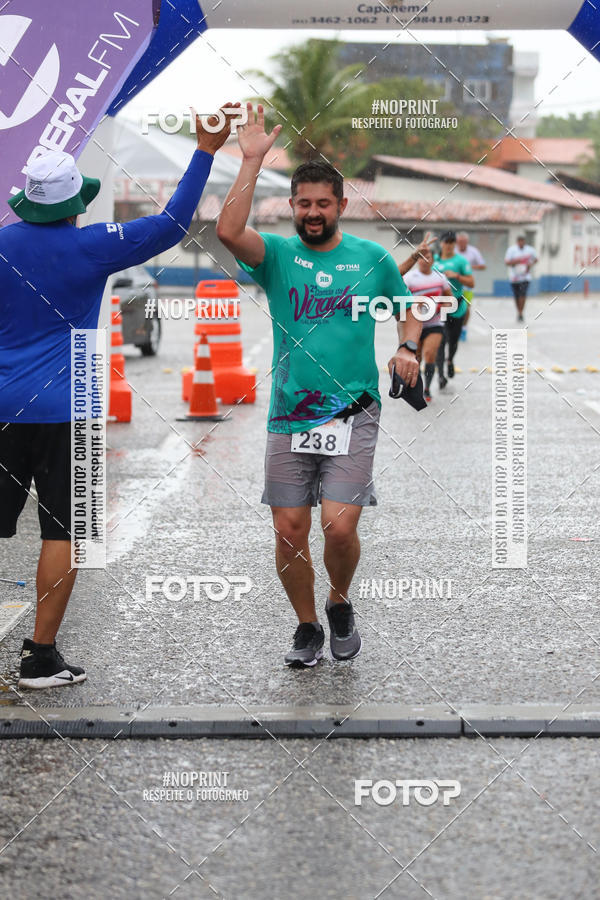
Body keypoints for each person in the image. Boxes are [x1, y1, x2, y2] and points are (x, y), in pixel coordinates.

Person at [0, 106, 234, 689]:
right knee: (64, 532)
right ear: (74, 205)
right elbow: (173, 223)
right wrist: (205, 149)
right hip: (72, 408)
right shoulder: (93, 247)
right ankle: (40, 658)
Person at [217, 103, 421, 667]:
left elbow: (409, 310)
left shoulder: (371, 259)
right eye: (303, 203)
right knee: (289, 529)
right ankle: (307, 625)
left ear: (340, 206)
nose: (312, 212)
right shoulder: (278, 257)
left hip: (353, 410)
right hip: (289, 413)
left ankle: (339, 601)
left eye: (322, 204)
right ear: (292, 206)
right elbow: (228, 230)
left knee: (338, 525)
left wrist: (407, 348)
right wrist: (251, 160)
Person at [401, 247, 454, 402]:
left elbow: (449, 299)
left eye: (428, 258)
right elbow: (401, 300)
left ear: (433, 260)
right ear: (417, 260)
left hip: (435, 324)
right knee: (416, 358)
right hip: (414, 325)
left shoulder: (440, 278)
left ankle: (427, 389)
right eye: (421, 258)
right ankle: (415, 387)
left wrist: (441, 308)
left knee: (430, 354)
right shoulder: (409, 278)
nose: (424, 261)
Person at [433, 231, 474, 387]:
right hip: (440, 307)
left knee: (453, 341)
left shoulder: (461, 261)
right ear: (441, 243)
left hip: (457, 306)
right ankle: (440, 376)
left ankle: (450, 360)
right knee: (439, 341)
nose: (449, 245)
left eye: (452, 242)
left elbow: (471, 283)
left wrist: (456, 276)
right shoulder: (434, 261)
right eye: (446, 242)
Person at [456, 231, 486, 340]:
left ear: (467, 242)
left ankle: (463, 329)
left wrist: (468, 267)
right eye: (459, 241)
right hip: (454, 285)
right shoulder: (453, 251)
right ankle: (454, 328)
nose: (461, 244)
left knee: (466, 307)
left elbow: (483, 266)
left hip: (468, 285)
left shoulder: (473, 251)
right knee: (452, 307)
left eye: (463, 242)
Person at [505, 235, 537, 322]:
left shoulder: (530, 250)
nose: (521, 243)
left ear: (524, 242)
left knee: (523, 295)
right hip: (514, 277)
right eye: (520, 241)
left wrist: (530, 264)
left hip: (525, 277)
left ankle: (521, 313)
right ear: (517, 242)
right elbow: (506, 262)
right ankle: (519, 311)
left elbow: (536, 259)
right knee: (516, 296)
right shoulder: (511, 250)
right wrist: (517, 261)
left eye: (523, 241)